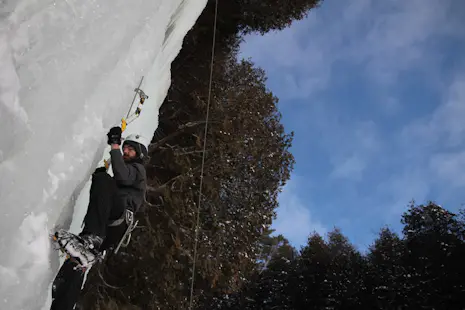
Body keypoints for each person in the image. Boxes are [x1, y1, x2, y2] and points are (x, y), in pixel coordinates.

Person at [55, 126, 148, 266]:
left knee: (103, 179)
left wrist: (115, 145)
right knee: (79, 261)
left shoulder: (138, 170)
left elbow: (122, 175)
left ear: (140, 154)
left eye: (131, 149)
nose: (126, 151)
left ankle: (92, 239)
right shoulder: (132, 174)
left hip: (119, 218)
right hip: (113, 229)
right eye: (125, 148)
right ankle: (81, 259)